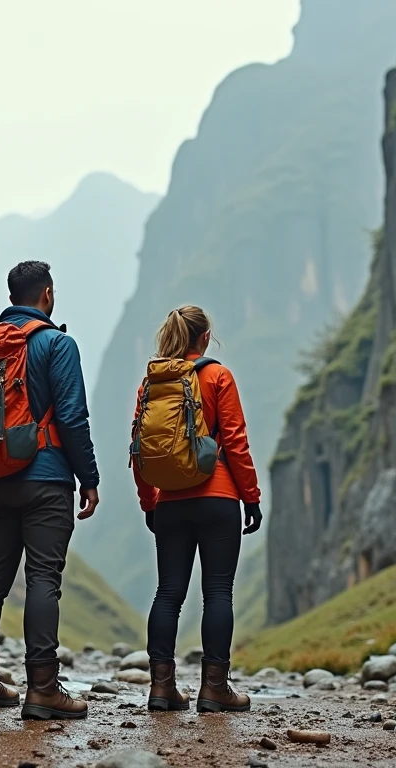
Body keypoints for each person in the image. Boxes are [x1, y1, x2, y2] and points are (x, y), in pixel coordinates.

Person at [0, 260, 100, 720]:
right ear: (48, 294)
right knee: (43, 578)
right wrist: (89, 478)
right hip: (46, 478)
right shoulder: (57, 344)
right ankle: (42, 688)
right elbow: (72, 416)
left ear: (11, 297)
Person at [132, 305, 262, 713]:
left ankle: (161, 687)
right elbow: (235, 442)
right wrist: (251, 497)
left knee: (168, 593)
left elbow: (140, 449)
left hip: (170, 502)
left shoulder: (152, 383)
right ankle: (214, 689)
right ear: (205, 337)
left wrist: (150, 501)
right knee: (218, 592)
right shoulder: (218, 376)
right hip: (218, 497)